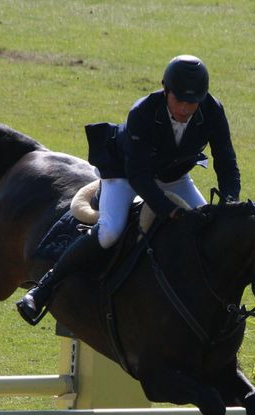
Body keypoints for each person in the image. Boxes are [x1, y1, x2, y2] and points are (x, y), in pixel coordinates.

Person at [17, 55, 241, 323]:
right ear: (166, 89)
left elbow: (226, 162)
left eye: (192, 102)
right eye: (179, 99)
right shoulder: (143, 112)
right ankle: (42, 289)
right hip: (124, 173)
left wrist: (229, 201)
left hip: (175, 177)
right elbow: (139, 175)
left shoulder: (213, 111)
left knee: (208, 234)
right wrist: (169, 211)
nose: (185, 107)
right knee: (110, 232)